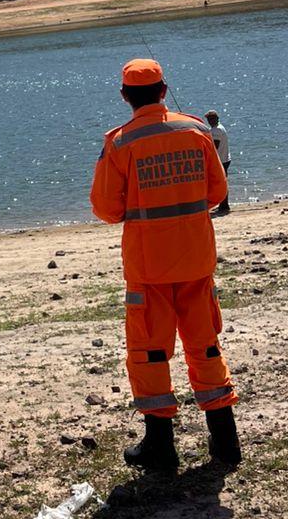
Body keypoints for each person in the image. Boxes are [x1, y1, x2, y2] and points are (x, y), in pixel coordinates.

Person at [90, 58, 241, 471]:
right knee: (205, 344)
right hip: (195, 258)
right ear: (163, 90)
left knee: (150, 352)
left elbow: (106, 208)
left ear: (125, 96)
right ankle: (225, 441)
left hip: (148, 266)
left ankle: (161, 445)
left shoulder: (121, 143)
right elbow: (216, 192)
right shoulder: (194, 131)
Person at [205, 110, 231, 216]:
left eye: (210, 119)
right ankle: (224, 205)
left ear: (215, 119)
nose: (208, 121)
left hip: (221, 160)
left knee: (220, 183)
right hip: (226, 158)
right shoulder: (220, 127)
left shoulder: (216, 131)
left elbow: (214, 147)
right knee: (223, 181)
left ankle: (224, 206)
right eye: (208, 119)